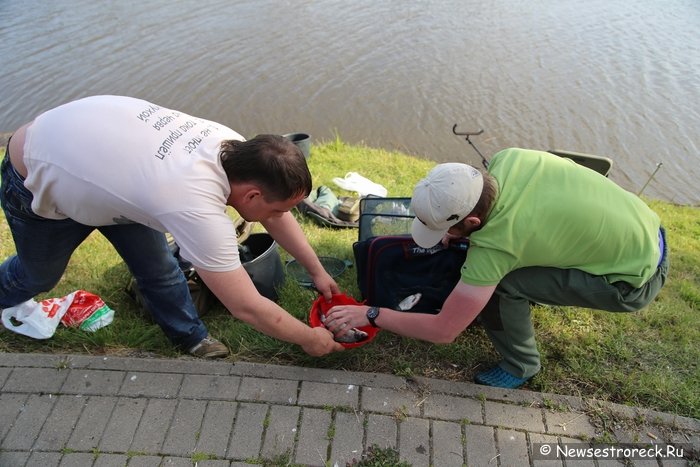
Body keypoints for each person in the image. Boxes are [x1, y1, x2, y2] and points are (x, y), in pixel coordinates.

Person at [1, 95, 344, 358]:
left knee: (160, 268)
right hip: (37, 171)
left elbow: (273, 215)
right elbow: (246, 306)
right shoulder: (195, 208)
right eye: (279, 207)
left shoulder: (238, 151)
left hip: (110, 173)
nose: (280, 215)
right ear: (253, 194)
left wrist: (316, 271)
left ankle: (190, 337)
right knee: (37, 276)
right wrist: (309, 339)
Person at [326, 147, 668, 388]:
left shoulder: (499, 245)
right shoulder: (509, 159)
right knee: (502, 266)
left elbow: (444, 331)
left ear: (474, 221)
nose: (443, 238)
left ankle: (521, 366)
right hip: (645, 225)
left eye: (447, 229)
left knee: (503, 286)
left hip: (635, 278)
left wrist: (372, 314)